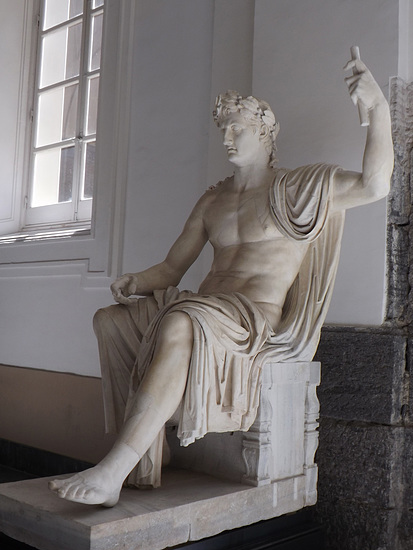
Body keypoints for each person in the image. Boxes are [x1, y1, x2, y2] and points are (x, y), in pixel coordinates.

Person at [49, 52, 393, 507]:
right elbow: (172, 270)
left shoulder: (299, 188)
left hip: (254, 319)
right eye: (223, 131)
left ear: (266, 133)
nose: (227, 139)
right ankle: (152, 448)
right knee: (111, 321)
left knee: (180, 321)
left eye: (238, 129)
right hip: (204, 309)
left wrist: (378, 111)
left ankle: (115, 468)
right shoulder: (213, 201)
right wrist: (136, 281)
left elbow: (374, 186)